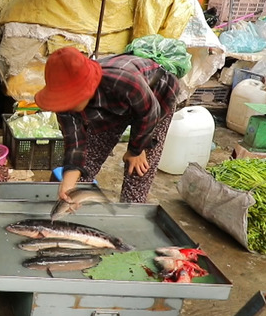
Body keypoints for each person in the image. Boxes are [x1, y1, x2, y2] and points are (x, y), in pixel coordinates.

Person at [35, 47, 181, 205]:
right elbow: (75, 144)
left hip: (156, 99)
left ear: (87, 89)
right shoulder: (64, 107)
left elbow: (150, 112)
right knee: (85, 167)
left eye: (71, 99)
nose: (66, 105)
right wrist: (68, 186)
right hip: (114, 107)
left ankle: (130, 213)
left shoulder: (123, 80)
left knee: (138, 169)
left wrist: (136, 149)